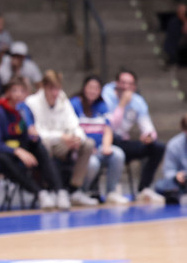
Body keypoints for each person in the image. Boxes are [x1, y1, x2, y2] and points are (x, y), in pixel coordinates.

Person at [0, 78, 63, 210]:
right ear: (8, 93)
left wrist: (34, 137)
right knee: (6, 160)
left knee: (40, 148)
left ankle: (59, 191)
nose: (18, 94)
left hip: (21, 149)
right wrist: (17, 151)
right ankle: (40, 193)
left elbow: (28, 135)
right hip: (2, 152)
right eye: (14, 91)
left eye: (22, 91)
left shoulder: (25, 110)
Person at [23, 71, 97, 208]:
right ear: (44, 87)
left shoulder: (63, 100)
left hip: (65, 143)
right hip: (47, 143)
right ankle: (51, 188)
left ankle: (74, 190)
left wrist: (77, 138)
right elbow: (36, 131)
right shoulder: (32, 102)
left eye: (57, 88)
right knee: (43, 144)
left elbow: (74, 124)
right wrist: (60, 136)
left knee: (88, 143)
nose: (55, 92)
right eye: (52, 88)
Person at [101, 70, 166, 204]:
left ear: (135, 87)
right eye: (123, 83)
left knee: (157, 147)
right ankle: (111, 191)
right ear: (116, 84)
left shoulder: (138, 102)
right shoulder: (105, 96)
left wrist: (149, 136)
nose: (126, 87)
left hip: (124, 142)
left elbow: (148, 126)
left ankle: (144, 189)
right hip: (106, 141)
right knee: (115, 137)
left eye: (130, 84)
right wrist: (122, 104)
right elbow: (111, 126)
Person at [71, 76, 129, 205]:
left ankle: (111, 192)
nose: (93, 91)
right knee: (92, 164)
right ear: (84, 88)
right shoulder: (75, 104)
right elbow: (71, 128)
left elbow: (107, 128)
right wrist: (86, 148)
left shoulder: (102, 106)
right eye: (90, 87)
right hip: (83, 149)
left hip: (99, 147)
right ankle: (81, 192)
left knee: (118, 154)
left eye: (96, 88)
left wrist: (106, 146)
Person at [155, 113, 187, 205]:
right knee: (160, 185)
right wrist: (176, 176)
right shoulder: (174, 144)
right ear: (184, 130)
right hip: (182, 182)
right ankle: (175, 194)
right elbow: (168, 171)